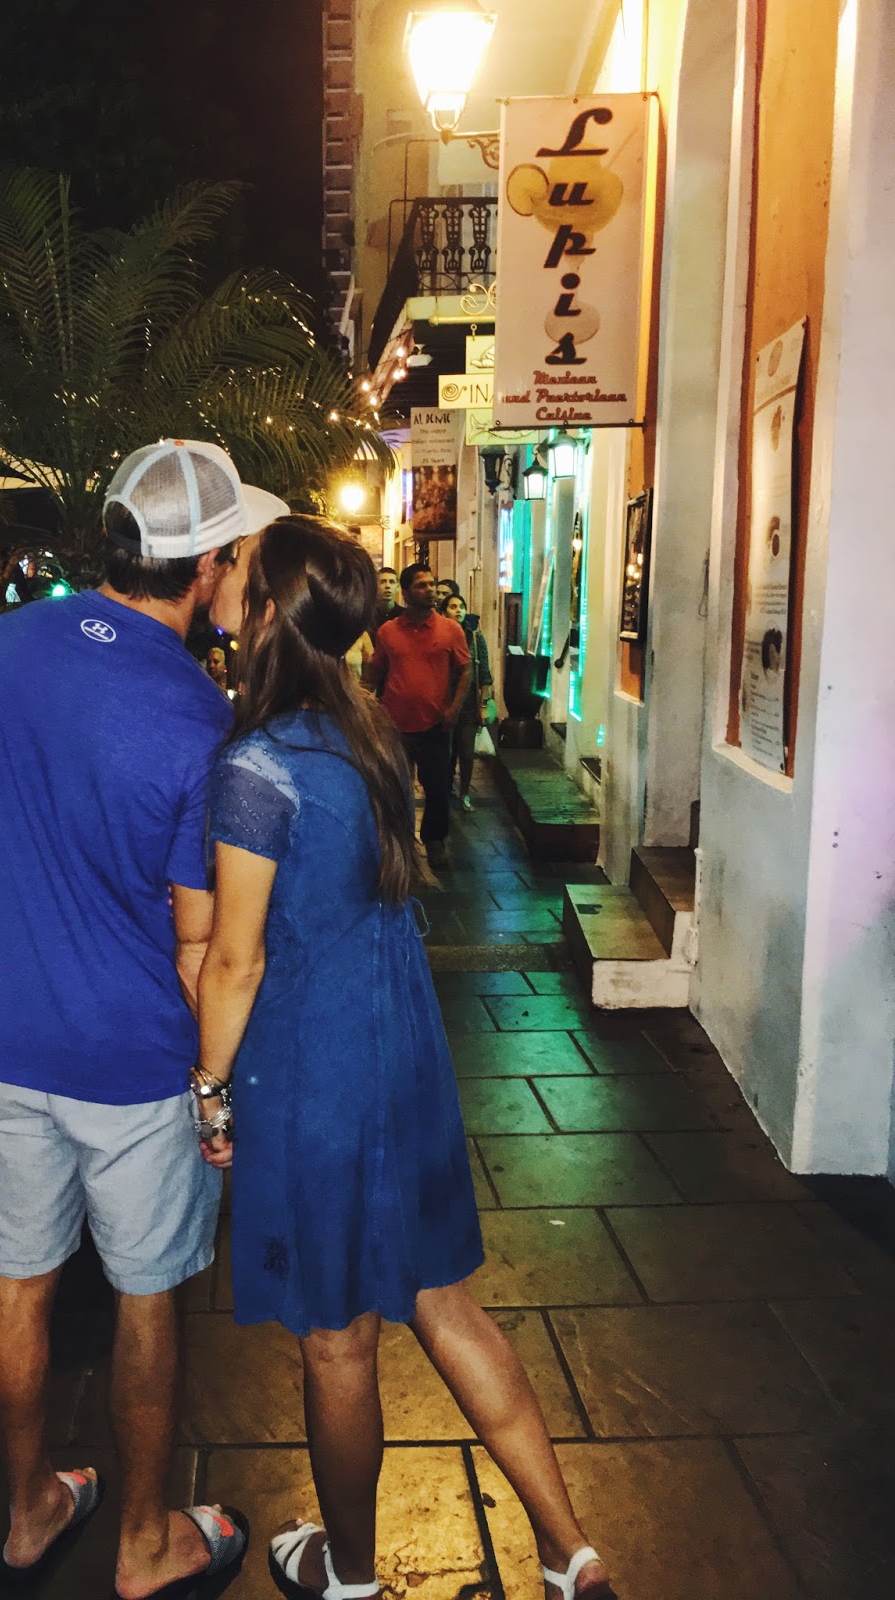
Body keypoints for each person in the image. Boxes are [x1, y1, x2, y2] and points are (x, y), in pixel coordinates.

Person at [194, 516, 615, 1600]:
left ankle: (348, 1575)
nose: (221, 574)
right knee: (443, 1301)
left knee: (336, 1341)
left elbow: (235, 960)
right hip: (405, 1055)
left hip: (318, 1071)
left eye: (237, 565)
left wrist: (209, 1092)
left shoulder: (256, 766)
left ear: (269, 610)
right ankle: (571, 1552)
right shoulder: (368, 733)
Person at [0, 439, 286, 1589]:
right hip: (131, 1062)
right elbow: (197, 938)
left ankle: (31, 1510)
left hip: (2, 1039)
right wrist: (218, 1079)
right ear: (208, 565)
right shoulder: (199, 714)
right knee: (145, 1293)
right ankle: (144, 1540)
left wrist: (6, 951)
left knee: (18, 1276)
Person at [367, 563, 470, 871]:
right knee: (395, 787)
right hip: (395, 724)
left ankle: (435, 841)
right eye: (421, 586)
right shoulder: (388, 632)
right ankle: (398, 843)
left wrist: (454, 709)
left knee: (437, 787)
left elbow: (465, 670)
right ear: (406, 592)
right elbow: (375, 672)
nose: (429, 591)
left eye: (431, 584)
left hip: (435, 724)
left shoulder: (450, 630)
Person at [442, 594, 494, 812]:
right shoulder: (440, 636)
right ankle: (445, 790)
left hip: (469, 704)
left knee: (466, 752)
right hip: (443, 702)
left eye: (461, 607)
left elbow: (485, 673)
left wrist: (484, 702)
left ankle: (464, 793)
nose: (458, 610)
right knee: (446, 752)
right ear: (444, 612)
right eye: (453, 607)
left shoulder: (474, 637)